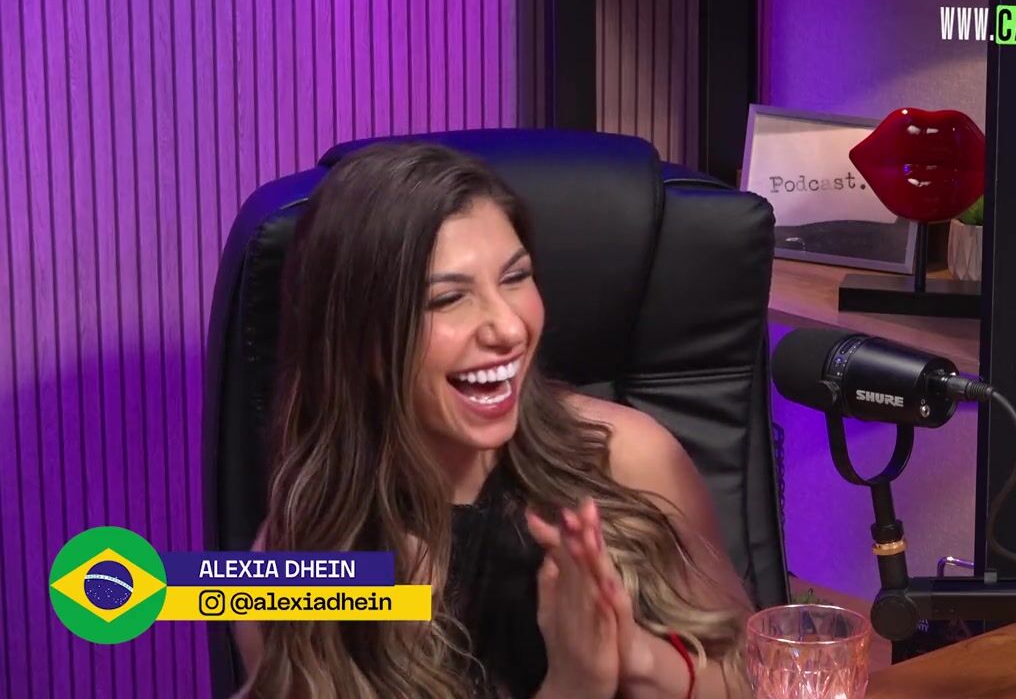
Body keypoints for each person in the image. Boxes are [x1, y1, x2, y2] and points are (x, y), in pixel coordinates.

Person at [232, 142, 753, 698]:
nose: (508, 328)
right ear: (361, 341)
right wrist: (575, 684)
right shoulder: (297, 560)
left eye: (515, 277)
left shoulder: (629, 455)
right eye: (448, 299)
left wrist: (635, 655)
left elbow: (757, 676)